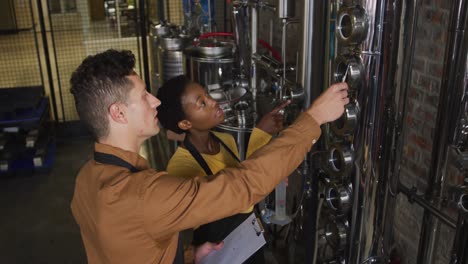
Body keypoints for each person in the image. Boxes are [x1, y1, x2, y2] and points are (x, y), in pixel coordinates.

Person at [69, 49, 349, 264]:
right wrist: (314, 119)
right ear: (118, 113)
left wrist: (189, 254)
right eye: (143, 96)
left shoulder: (86, 179)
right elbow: (242, 185)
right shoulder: (145, 196)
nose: (154, 101)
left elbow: (130, 247)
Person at [156, 75, 290, 264]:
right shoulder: (180, 168)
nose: (213, 101)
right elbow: (238, 196)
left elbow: (243, 175)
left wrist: (261, 134)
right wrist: (266, 174)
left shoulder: (225, 140)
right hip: (221, 254)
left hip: (248, 244)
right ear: (186, 124)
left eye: (207, 94)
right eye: (202, 103)